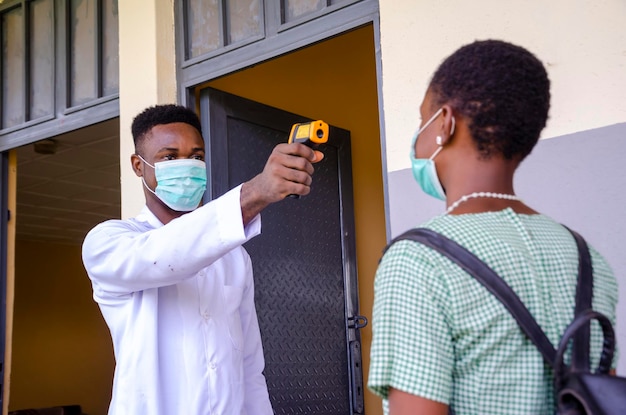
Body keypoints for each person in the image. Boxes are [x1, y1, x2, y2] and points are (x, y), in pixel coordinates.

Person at [368, 40, 619, 415]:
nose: (417, 138)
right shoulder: (589, 259)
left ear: (444, 124)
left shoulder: (418, 262)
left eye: (422, 121)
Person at [82, 104, 324, 415]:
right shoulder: (109, 242)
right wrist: (255, 192)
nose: (187, 166)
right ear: (138, 166)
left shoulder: (234, 255)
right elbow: (163, 255)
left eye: (196, 157)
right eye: (169, 157)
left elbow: (249, 366)